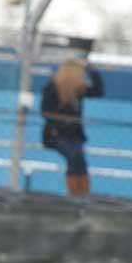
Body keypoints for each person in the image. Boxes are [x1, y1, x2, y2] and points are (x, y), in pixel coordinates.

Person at [41, 59, 103, 196]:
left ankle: (84, 191)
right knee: (73, 155)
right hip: (55, 134)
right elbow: (45, 112)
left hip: (74, 135)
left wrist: (92, 70)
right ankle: (75, 193)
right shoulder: (52, 88)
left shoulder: (78, 90)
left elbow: (98, 91)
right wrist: (60, 124)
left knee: (80, 157)